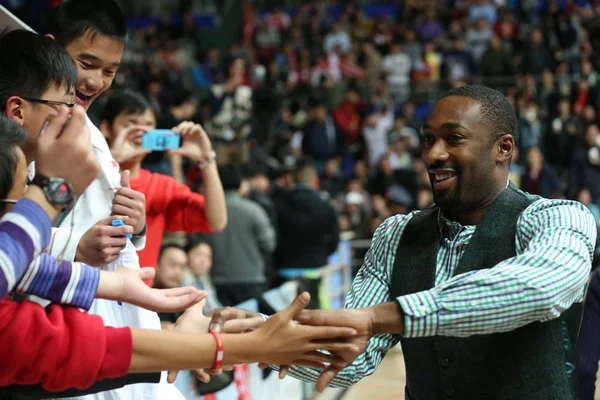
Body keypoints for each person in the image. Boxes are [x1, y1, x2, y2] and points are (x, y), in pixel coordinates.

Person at [212, 85, 598, 399]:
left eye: (454, 139)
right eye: (428, 140)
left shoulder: (556, 217)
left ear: (504, 148)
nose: (433, 154)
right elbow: (352, 353)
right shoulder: (396, 233)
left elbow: (538, 288)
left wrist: (382, 316)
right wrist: (263, 334)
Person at [99, 89, 226, 279]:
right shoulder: (86, 175)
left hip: (139, 301)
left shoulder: (162, 187)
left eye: (149, 125)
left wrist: (207, 161)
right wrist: (112, 160)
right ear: (106, 128)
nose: (141, 132)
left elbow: (216, 221)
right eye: (131, 123)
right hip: (89, 296)